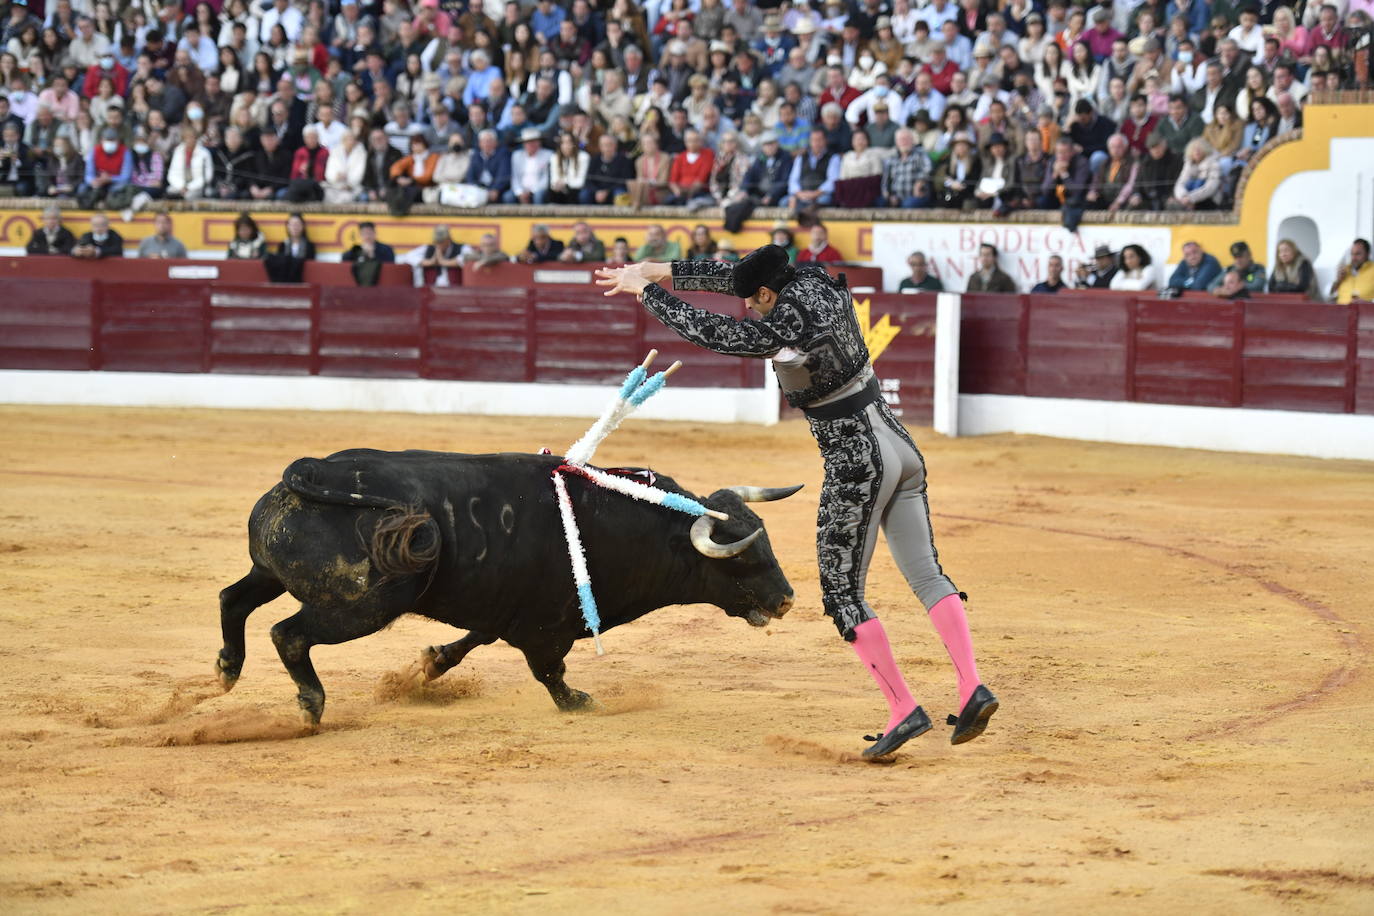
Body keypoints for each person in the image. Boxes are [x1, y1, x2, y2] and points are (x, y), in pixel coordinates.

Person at [594, 248, 997, 758]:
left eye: (754, 302)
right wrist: (658, 271)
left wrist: (649, 294)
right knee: (926, 572)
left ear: (766, 295)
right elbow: (732, 277)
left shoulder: (782, 324)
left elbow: (714, 333)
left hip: (857, 459)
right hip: (898, 444)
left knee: (842, 593)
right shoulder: (810, 278)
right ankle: (971, 688)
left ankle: (903, 710)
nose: (753, 308)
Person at [1331, 239, 1374, 304]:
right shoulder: (1345, 270)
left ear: (1367, 254)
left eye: (1358, 254)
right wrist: (1338, 280)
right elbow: (1329, 295)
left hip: (1366, 312)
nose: (1354, 258)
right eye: (1352, 254)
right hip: (1341, 311)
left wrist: (1369, 303)